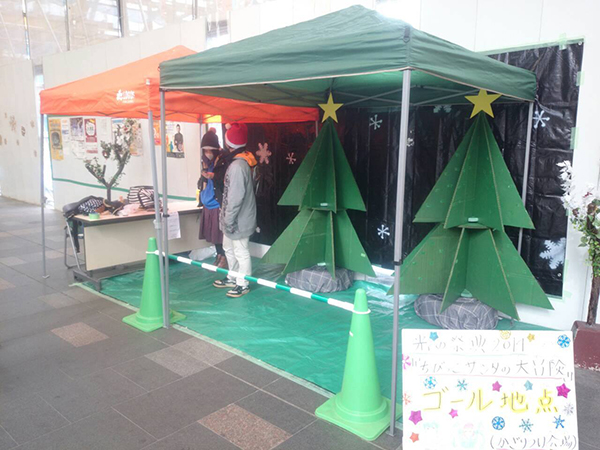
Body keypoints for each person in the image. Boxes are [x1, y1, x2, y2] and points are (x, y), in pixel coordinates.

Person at [213, 123, 257, 298]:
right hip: (233, 218)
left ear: (229, 143)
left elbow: (235, 198)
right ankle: (233, 277)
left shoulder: (238, 166)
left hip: (239, 220)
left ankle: (243, 283)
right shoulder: (239, 162)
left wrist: (228, 219)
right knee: (229, 248)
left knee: (240, 251)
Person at [198, 128, 227, 268]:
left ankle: (224, 256)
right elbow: (202, 183)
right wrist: (204, 176)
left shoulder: (222, 161)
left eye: (210, 150)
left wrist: (213, 176)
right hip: (207, 201)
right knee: (213, 234)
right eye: (205, 150)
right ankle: (218, 254)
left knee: (219, 233)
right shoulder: (205, 162)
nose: (208, 153)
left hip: (217, 202)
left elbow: (224, 181)